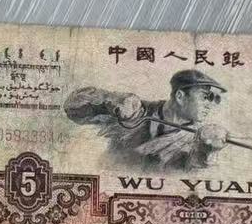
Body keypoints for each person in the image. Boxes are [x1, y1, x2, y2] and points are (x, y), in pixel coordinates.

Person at [64, 68, 230, 171]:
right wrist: (108, 100)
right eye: (206, 97)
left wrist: (208, 151)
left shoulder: (202, 138)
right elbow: (73, 108)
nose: (210, 105)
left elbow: (191, 174)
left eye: (215, 99)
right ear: (180, 96)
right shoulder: (135, 111)